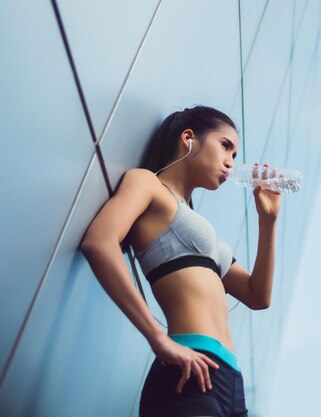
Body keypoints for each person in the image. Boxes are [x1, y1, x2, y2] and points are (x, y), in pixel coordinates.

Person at [79, 105, 282, 417]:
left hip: (231, 383)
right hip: (188, 367)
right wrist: (158, 339)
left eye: (235, 154)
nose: (230, 162)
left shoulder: (204, 231)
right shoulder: (147, 184)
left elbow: (258, 296)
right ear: (189, 138)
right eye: (225, 146)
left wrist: (268, 221)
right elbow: (99, 242)